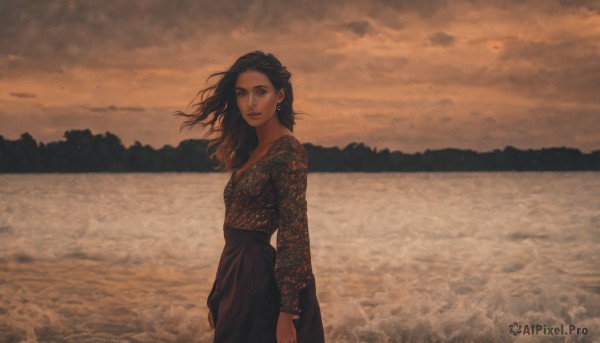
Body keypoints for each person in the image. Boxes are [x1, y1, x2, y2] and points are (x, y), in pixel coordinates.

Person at [176, 51, 325, 343]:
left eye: (261, 92)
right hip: (236, 272)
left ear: (279, 96)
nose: (251, 103)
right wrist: (218, 289)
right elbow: (234, 231)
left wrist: (288, 313)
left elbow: (294, 231)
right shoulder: (253, 148)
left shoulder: (288, 151)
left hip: (257, 278)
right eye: (243, 94)